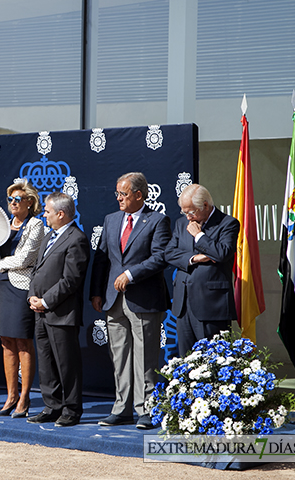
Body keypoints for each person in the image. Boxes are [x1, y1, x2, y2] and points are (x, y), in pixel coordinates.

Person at [90, 172, 170, 430]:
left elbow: (160, 257)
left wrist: (131, 273)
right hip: (113, 300)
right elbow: (102, 259)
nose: (119, 199)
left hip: (144, 299)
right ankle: (121, 408)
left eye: (123, 194)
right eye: (117, 194)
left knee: (145, 358)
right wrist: (96, 292)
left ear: (139, 195)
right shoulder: (111, 219)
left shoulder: (158, 220)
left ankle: (146, 410)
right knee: (120, 357)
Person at [0, 180, 44, 418]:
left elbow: (25, 259)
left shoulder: (36, 225)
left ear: (29, 202)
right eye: (10, 200)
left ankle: (25, 398)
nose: (13, 203)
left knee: (23, 343)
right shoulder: (3, 225)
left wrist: (0, 264)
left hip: (22, 287)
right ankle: (11, 396)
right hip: (1, 286)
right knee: (6, 342)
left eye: (18, 199)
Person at [26, 192, 89, 427]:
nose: (44, 215)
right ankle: (52, 406)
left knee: (66, 364)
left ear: (60, 214)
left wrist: (46, 301)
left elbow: (71, 280)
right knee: (46, 362)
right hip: (40, 311)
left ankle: (71, 410)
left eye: (47, 211)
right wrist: (33, 295)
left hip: (61, 313)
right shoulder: (48, 236)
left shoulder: (76, 239)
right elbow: (37, 269)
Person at [165, 184, 240, 357]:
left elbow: (221, 253)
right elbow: (169, 253)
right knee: (186, 359)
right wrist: (194, 258)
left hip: (211, 304)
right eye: (184, 212)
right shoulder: (181, 223)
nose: (188, 217)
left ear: (205, 205)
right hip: (183, 303)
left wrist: (199, 236)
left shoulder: (227, 223)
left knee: (212, 361)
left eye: (191, 212)